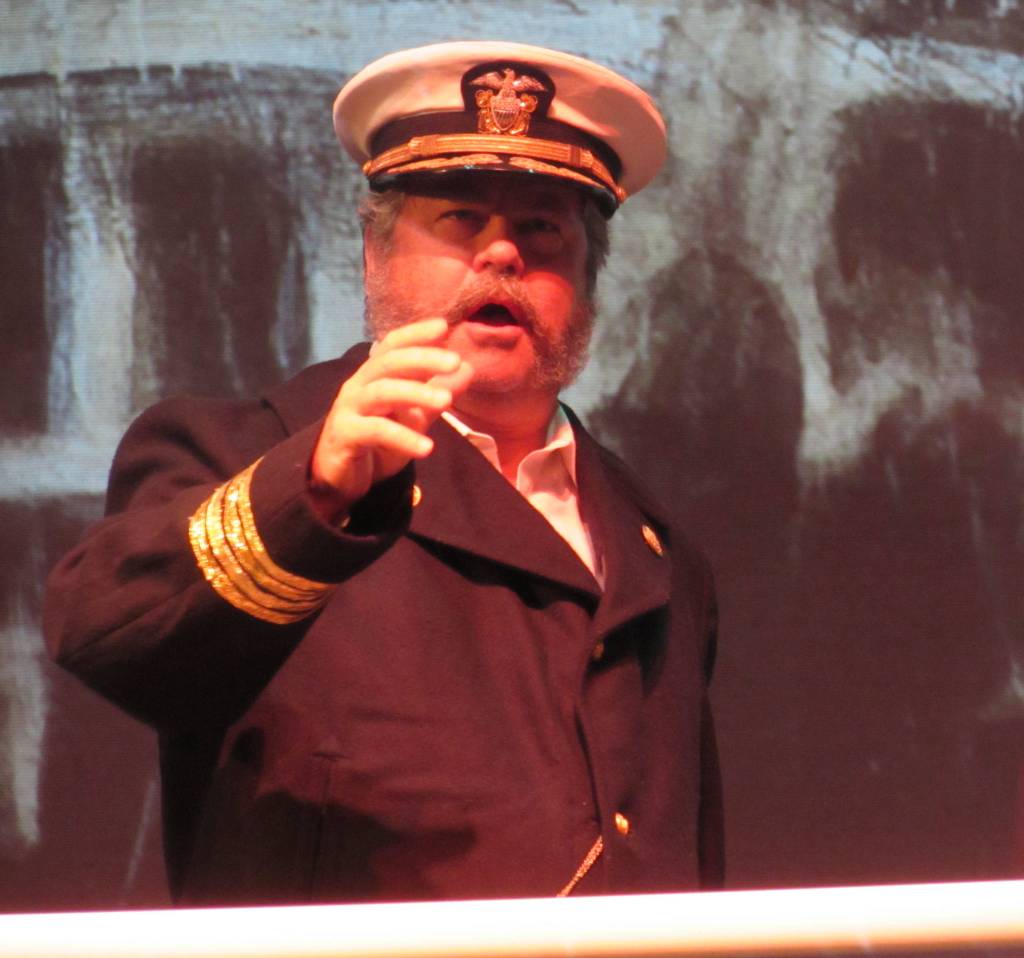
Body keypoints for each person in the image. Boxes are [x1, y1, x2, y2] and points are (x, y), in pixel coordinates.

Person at [44, 40, 723, 905]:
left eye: (541, 228)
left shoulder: (657, 548)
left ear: (588, 282)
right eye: (459, 221)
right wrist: (316, 490)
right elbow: (100, 631)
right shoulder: (241, 453)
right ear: (374, 255)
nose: (502, 256)